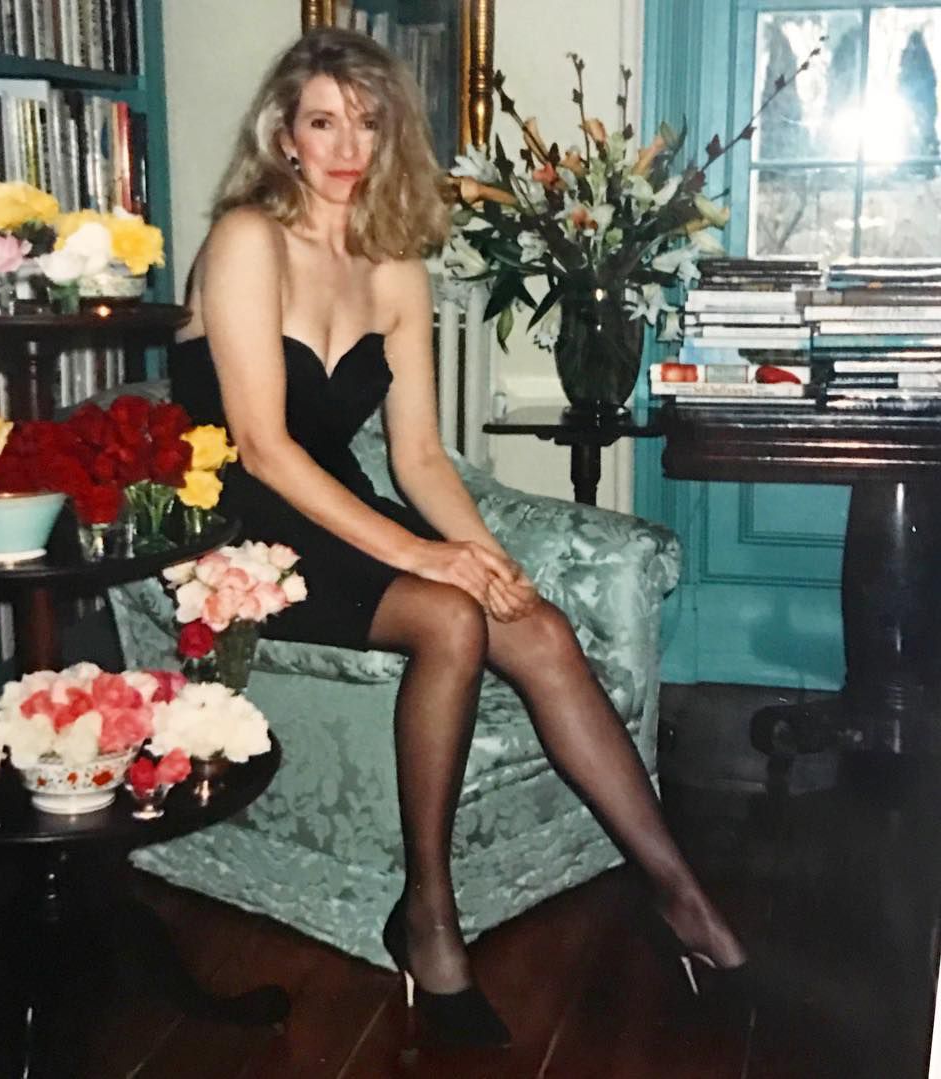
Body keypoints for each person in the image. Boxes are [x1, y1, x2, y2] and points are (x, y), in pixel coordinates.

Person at [170, 26, 746, 1048]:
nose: (347, 146)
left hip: (339, 507)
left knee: (538, 627)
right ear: (284, 135)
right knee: (448, 616)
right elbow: (261, 447)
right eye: (322, 122)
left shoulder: (394, 264)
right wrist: (431, 561)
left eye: (368, 122)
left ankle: (681, 896)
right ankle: (429, 918)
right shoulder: (246, 237)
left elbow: (421, 459)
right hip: (240, 529)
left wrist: (490, 559)